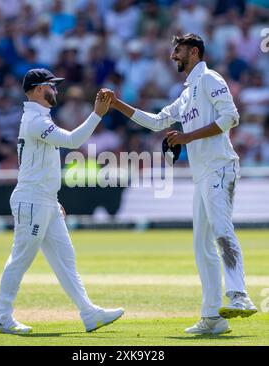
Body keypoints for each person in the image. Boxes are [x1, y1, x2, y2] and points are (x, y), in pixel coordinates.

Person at [100, 34, 257, 335]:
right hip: (202, 174)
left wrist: (186, 137)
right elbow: (158, 121)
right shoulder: (186, 93)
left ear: (194, 52)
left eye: (178, 49)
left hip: (220, 167)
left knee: (222, 230)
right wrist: (117, 103)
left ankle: (239, 296)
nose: (173, 54)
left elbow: (231, 118)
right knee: (201, 247)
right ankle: (213, 317)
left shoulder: (210, 79)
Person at [0, 68, 124, 335]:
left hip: (45, 201)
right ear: (39, 89)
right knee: (20, 259)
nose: (56, 91)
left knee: (66, 259)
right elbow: (73, 140)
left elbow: (45, 163)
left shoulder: (39, 118)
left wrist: (52, 199)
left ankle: (88, 313)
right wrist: (97, 113)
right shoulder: (35, 121)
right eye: (52, 86)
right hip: (32, 200)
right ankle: (1, 316)